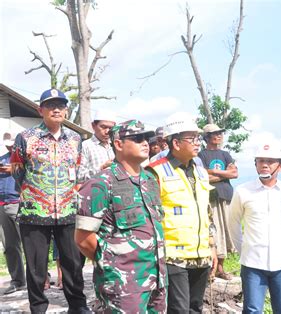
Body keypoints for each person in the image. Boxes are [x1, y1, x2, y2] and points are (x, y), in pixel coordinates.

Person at [75, 120, 167, 313]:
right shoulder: (100, 184)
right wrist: (110, 264)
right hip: (123, 285)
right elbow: (83, 239)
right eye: (137, 138)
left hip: (156, 279)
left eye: (146, 138)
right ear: (118, 144)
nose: (145, 143)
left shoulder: (150, 180)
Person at [10, 88, 88, 313]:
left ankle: (78, 306)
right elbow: (17, 172)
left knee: (73, 264)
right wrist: (37, 194)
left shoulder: (75, 139)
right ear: (40, 109)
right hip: (34, 212)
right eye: (51, 105)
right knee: (36, 267)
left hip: (68, 210)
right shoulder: (25, 138)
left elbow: (76, 170)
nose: (56, 109)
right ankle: (38, 308)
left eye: (61, 105)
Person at [147, 112, 218, 314]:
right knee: (178, 310)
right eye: (192, 139)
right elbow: (150, 217)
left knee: (195, 308)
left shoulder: (201, 171)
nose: (198, 143)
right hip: (172, 256)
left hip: (201, 254)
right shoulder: (155, 172)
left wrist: (211, 245)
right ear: (176, 143)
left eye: (198, 138)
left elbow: (207, 212)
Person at [228, 142, 281, 313]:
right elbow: (233, 223)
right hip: (253, 263)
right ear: (255, 164)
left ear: (280, 166)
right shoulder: (243, 191)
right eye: (260, 161)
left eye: (270, 161)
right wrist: (245, 249)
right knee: (252, 310)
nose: (265, 165)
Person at [198, 123, 238, 280]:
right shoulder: (201, 156)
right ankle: (212, 269)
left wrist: (214, 172)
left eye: (220, 133)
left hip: (226, 197)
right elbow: (202, 175)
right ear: (207, 137)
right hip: (211, 197)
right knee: (215, 231)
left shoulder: (226, 154)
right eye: (215, 133)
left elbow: (234, 174)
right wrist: (223, 174)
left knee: (227, 230)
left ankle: (221, 268)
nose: (219, 136)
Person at [0, 136, 26, 295]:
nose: (10, 149)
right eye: (8, 146)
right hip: (2, 205)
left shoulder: (26, 158)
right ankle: (17, 280)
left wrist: (14, 169)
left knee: (32, 243)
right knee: (10, 246)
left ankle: (41, 277)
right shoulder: (2, 159)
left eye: (12, 146)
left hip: (19, 203)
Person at [77, 112, 116, 184]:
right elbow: (80, 177)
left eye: (110, 128)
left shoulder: (116, 146)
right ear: (93, 126)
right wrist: (101, 169)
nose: (107, 131)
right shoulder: (85, 146)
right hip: (96, 192)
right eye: (103, 127)